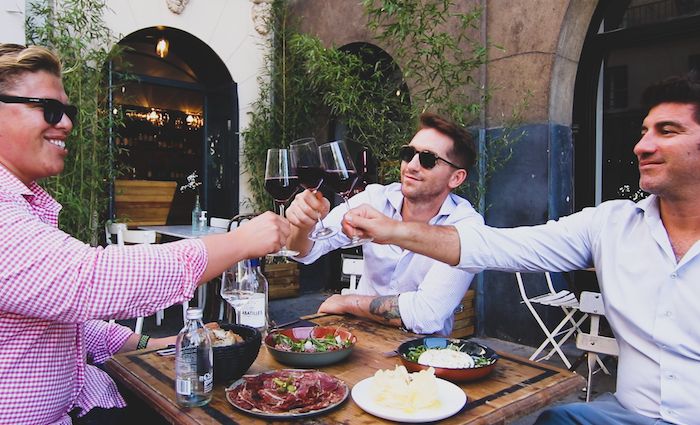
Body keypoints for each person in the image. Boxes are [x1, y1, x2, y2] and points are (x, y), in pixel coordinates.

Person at [342, 72, 700, 424]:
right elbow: (498, 246)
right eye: (644, 132)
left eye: (667, 131)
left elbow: (428, 314)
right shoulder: (609, 225)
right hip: (626, 413)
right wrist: (393, 230)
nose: (642, 146)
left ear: (456, 178)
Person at [0, 43, 290, 424]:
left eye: (68, 112)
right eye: (50, 109)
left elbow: (63, 321)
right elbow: (91, 280)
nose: (67, 124)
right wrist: (239, 241)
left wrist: (149, 343)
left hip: (84, 401)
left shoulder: (26, 204)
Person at [285, 113, 483, 335]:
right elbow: (306, 253)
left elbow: (426, 317)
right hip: (359, 338)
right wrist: (303, 225)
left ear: (456, 178)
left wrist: (347, 302)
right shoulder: (376, 199)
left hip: (422, 352)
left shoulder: (465, 226)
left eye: (428, 160)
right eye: (408, 154)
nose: (412, 166)